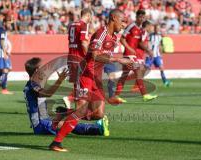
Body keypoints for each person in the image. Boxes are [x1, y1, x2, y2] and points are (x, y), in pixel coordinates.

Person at [49, 9, 133, 152]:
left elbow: (104, 58)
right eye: (122, 20)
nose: (124, 24)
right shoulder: (102, 34)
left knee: (99, 114)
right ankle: (56, 143)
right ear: (113, 18)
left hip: (96, 77)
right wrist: (119, 59)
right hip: (85, 74)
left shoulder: (114, 38)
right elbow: (94, 55)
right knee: (81, 111)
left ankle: (63, 114)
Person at [23, 57, 109, 136]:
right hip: (42, 124)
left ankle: (97, 128)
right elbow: (48, 93)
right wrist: (59, 80)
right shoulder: (33, 85)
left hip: (42, 123)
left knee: (67, 121)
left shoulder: (31, 84)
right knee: (67, 124)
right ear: (37, 70)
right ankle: (98, 129)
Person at [114, 10, 158, 102]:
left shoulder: (141, 30)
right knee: (137, 73)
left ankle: (116, 95)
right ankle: (144, 95)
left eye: (143, 17)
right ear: (136, 17)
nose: (141, 19)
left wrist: (148, 50)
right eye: (140, 17)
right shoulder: (131, 26)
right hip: (128, 55)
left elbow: (139, 43)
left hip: (133, 56)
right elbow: (122, 38)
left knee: (125, 75)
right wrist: (128, 48)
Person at [63, 8, 93, 108]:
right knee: (86, 83)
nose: (91, 19)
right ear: (88, 15)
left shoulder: (72, 25)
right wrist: (89, 55)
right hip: (79, 58)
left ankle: (76, 109)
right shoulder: (83, 25)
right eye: (91, 17)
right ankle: (70, 98)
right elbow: (84, 42)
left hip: (71, 57)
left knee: (77, 84)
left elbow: (71, 40)